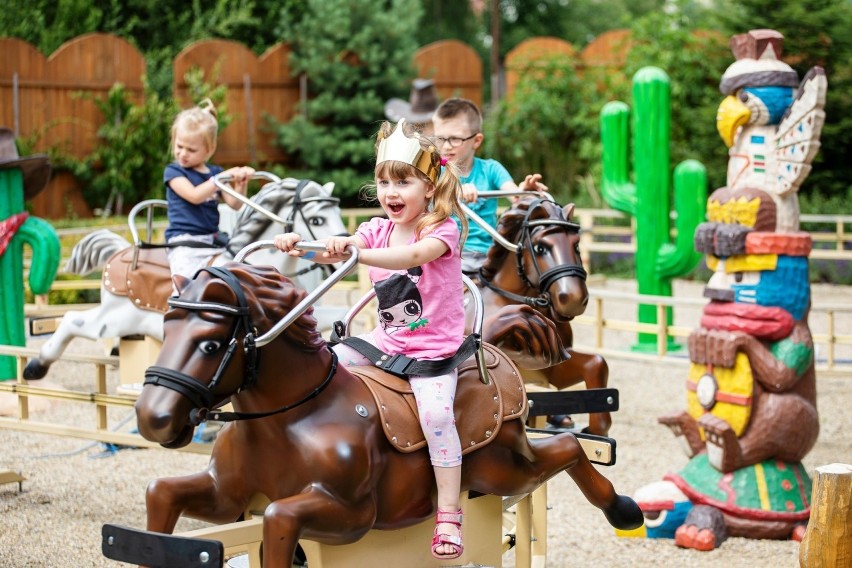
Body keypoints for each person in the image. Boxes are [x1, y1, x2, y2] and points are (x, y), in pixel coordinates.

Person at [274, 118, 469, 560]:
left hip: (431, 351)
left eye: (403, 181)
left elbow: (413, 257)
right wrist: (299, 245)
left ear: (430, 186)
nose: (390, 192)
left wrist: (355, 252)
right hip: (385, 341)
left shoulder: (440, 230)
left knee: (437, 416)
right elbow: (335, 248)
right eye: (383, 182)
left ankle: (448, 514)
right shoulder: (376, 229)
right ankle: (304, 464)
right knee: (320, 367)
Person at [432, 97, 548, 277]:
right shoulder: (432, 173)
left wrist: (523, 192)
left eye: (455, 139)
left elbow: (515, 197)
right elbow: (422, 194)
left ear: (476, 141)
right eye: (440, 138)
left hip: (488, 256)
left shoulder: (491, 169)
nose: (446, 146)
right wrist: (455, 191)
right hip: (445, 253)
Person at [163, 98, 254, 281]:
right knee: (185, 280)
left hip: (212, 241)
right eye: (179, 146)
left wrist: (240, 182)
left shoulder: (215, 173)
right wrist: (219, 180)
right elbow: (194, 196)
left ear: (209, 150)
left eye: (191, 149)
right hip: (184, 242)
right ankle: (181, 305)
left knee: (238, 270)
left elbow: (235, 204)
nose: (183, 153)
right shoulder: (174, 172)